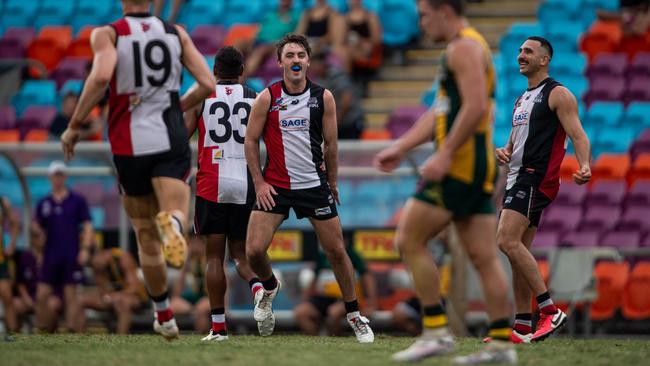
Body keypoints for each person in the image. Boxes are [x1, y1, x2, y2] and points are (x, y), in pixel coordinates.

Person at [60, 0, 215, 340]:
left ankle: (164, 314)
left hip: (129, 143)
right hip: (170, 134)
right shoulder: (176, 33)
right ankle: (173, 223)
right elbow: (207, 83)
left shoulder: (108, 34)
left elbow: (101, 76)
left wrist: (74, 125)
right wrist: (176, 106)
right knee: (175, 210)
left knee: (145, 234)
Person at [374, 0, 515, 363]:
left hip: (460, 167)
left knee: (409, 238)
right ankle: (501, 345)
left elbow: (475, 107)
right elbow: (441, 111)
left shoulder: (464, 47)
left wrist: (446, 152)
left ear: (444, 10)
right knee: (484, 256)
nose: (421, 24)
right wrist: (401, 146)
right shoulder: (464, 47)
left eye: (424, 15)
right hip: (475, 167)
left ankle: (435, 332)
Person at [244, 33, 374, 343]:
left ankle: (355, 315)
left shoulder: (323, 97)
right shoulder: (267, 97)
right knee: (253, 250)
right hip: (275, 184)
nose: (296, 60)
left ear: (308, 61)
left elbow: (331, 144)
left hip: (313, 185)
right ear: (279, 63)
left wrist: (332, 182)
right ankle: (270, 285)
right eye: (289, 55)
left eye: (301, 55)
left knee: (337, 252)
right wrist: (259, 182)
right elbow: (250, 140)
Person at [495, 36, 591, 343]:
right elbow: (515, 140)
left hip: (535, 178)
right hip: (517, 176)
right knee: (516, 250)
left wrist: (585, 164)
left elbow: (577, 134)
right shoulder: (522, 98)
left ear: (544, 59)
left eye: (528, 51)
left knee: (506, 240)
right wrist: (505, 150)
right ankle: (523, 325)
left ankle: (550, 310)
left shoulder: (558, 94)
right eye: (520, 51)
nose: (520, 55)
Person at [184, 46, 264, 341]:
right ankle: (258, 286)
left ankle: (218, 329)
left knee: (214, 258)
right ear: (242, 71)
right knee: (241, 257)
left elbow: (183, 134)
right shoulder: (256, 97)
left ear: (214, 71)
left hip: (211, 182)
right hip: (245, 181)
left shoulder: (202, 94)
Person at [33, 161, 94, 333]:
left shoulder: (77, 200)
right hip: (50, 255)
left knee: (71, 295)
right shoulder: (44, 203)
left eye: (60, 175)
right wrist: (38, 250)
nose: (58, 179)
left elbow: (88, 226)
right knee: (42, 295)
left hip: (70, 253)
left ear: (65, 177)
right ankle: (43, 329)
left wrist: (85, 249)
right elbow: (38, 231)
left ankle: (71, 329)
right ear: (50, 178)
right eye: (55, 175)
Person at [294, 244, 377, 336]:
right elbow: (315, 278)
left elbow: (366, 276)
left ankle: (334, 341)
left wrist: (371, 301)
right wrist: (306, 297)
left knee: (334, 312)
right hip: (322, 298)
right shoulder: (322, 256)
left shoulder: (353, 255)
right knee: (301, 312)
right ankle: (316, 342)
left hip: (344, 298)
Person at [76, 247, 148, 334]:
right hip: (112, 298)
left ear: (105, 254)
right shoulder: (96, 264)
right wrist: (108, 296)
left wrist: (116, 296)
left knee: (122, 303)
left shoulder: (123, 258)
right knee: (80, 300)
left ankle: (120, 339)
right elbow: (103, 291)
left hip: (134, 297)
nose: (97, 264)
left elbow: (134, 287)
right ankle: (78, 336)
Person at [13, 223, 61, 333]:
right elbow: (20, 283)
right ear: (31, 238)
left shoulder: (54, 256)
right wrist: (26, 298)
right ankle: (15, 335)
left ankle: (48, 336)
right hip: (31, 296)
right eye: (36, 235)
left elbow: (60, 283)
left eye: (43, 235)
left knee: (50, 304)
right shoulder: (26, 256)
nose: (41, 239)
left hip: (50, 296)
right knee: (15, 304)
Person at [309, 50, 364, 139]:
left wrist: (337, 120)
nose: (312, 68)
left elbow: (346, 98)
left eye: (314, 64)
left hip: (349, 122)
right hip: (334, 123)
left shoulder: (337, 75)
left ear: (322, 64)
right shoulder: (318, 80)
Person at [244, 0, 301, 79]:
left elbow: (297, 34)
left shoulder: (296, 15)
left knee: (261, 50)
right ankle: (228, 70)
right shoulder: (270, 14)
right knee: (238, 43)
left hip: (274, 43)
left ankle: (243, 76)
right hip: (260, 40)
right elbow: (261, 29)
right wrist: (253, 39)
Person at [0, 196, 19, 339]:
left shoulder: (3, 201)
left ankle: (12, 335)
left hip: (0, 258)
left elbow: (14, 224)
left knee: (7, 295)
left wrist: (12, 244)